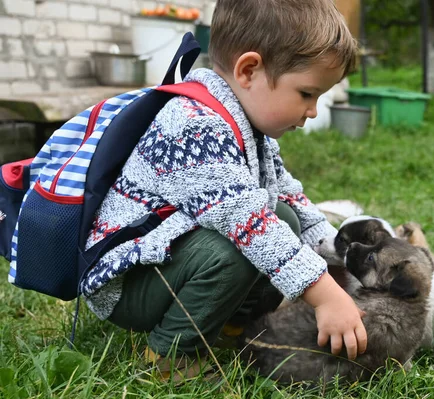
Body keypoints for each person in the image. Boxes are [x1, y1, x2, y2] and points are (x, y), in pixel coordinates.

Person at [80, 0, 366, 381]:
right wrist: (325, 294)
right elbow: (249, 226)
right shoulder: (193, 126)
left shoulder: (246, 126)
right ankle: (170, 356)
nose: (312, 111)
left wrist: (347, 259)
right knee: (239, 242)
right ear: (249, 70)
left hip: (168, 260)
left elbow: (294, 200)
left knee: (284, 215)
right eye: (306, 94)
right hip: (129, 283)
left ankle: (232, 327)